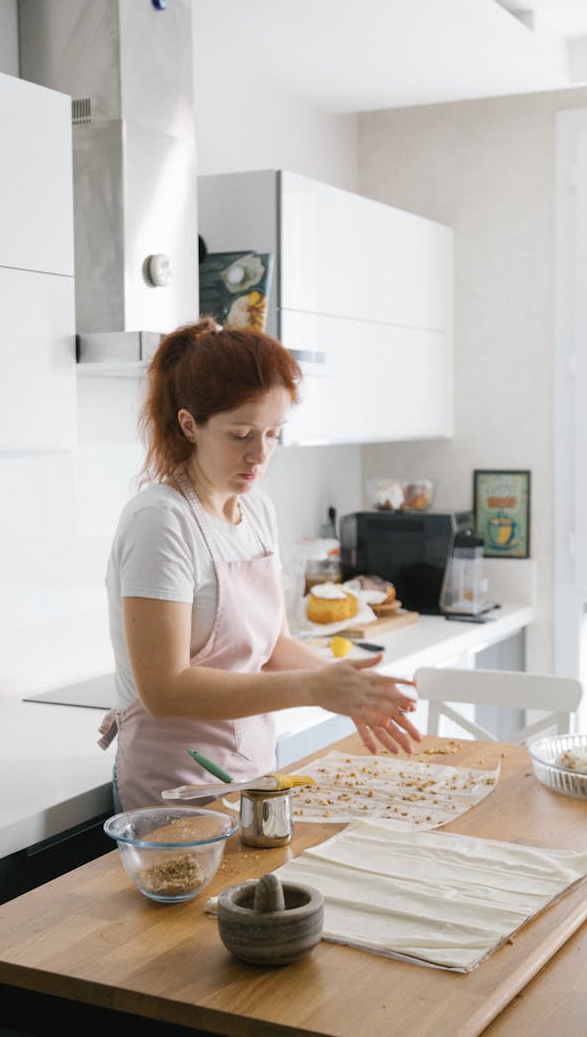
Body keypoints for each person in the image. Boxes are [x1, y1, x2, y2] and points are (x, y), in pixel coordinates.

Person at [98, 318, 421, 810]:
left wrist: (350, 687)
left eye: (274, 434)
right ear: (190, 425)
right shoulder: (160, 522)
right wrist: (315, 687)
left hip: (252, 773)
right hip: (175, 788)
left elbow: (273, 647)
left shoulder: (256, 509)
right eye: (242, 434)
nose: (259, 454)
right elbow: (165, 688)